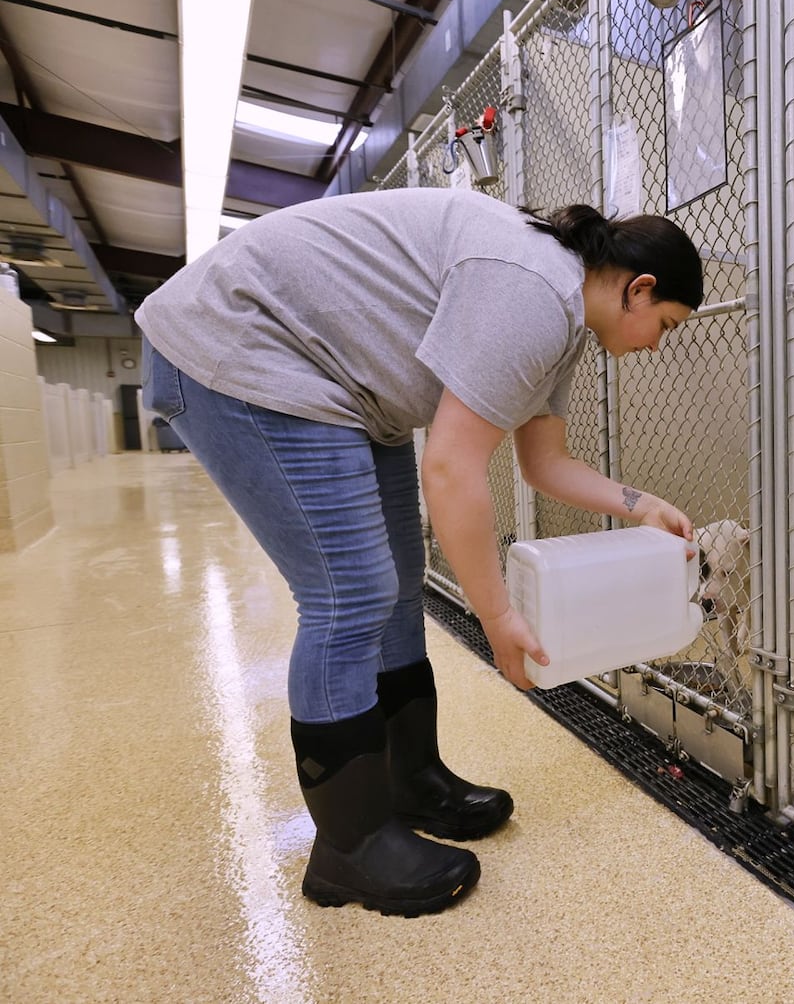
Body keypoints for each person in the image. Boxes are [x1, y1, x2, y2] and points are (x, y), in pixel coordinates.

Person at [137, 187, 703, 916]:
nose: (659, 343)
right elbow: (451, 468)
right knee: (351, 594)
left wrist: (641, 505)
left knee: (399, 584)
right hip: (244, 348)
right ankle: (349, 846)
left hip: (338, 383)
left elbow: (543, 464)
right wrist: (496, 617)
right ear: (639, 289)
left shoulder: (562, 316)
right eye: (667, 324)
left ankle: (409, 782)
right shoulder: (533, 289)